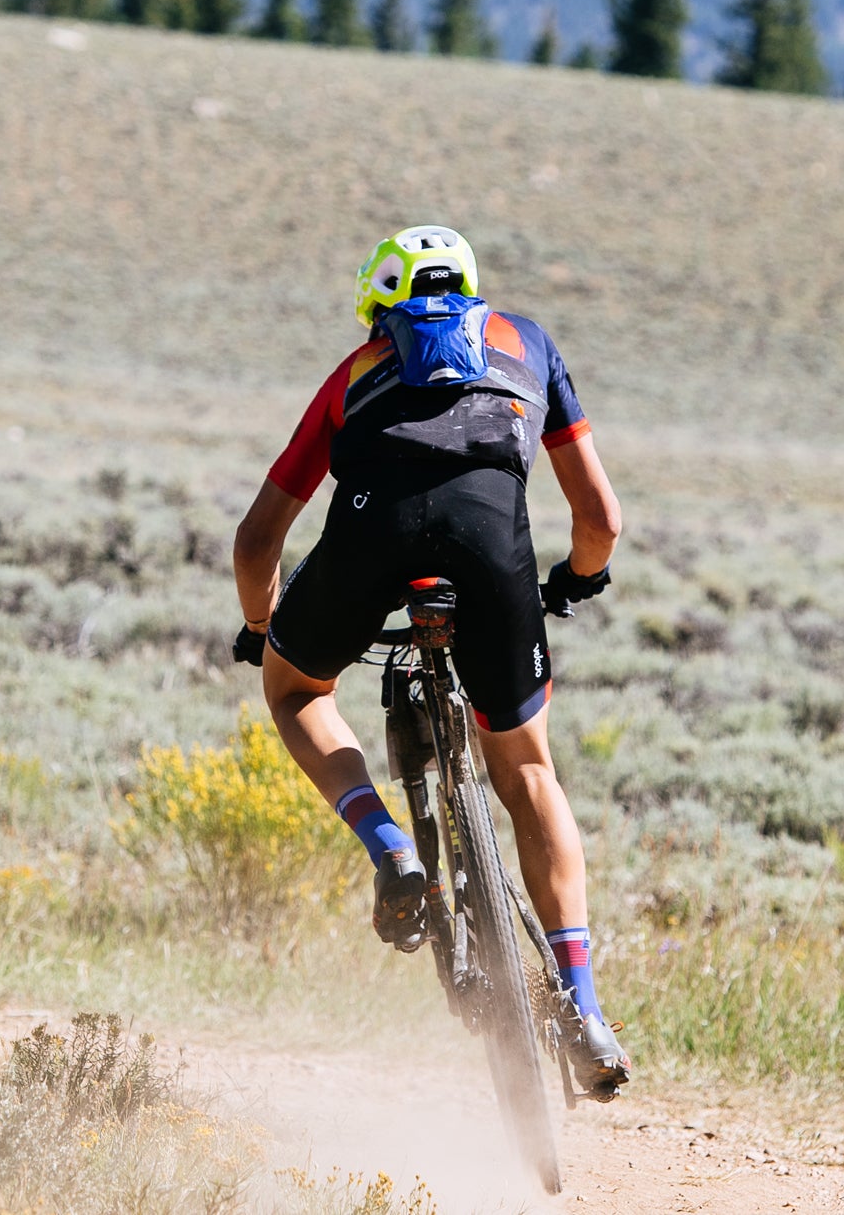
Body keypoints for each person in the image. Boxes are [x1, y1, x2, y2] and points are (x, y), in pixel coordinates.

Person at [229, 225, 630, 1097]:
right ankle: (586, 1008)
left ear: (381, 310)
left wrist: (263, 631)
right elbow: (600, 516)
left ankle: (390, 847)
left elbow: (258, 537)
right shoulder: (528, 345)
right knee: (526, 772)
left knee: (297, 690)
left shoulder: (356, 371)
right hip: (495, 546)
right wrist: (577, 581)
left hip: (371, 539)